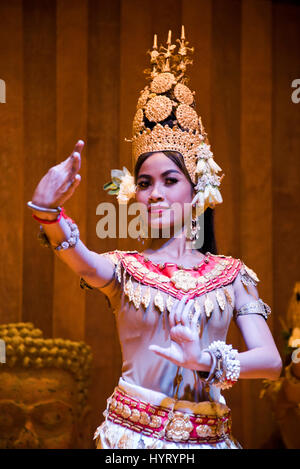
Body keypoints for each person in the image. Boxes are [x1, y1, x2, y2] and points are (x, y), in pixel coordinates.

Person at [27, 27, 282, 449]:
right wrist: (46, 213)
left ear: (197, 187)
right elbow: (82, 259)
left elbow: (271, 362)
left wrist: (202, 359)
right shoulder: (126, 270)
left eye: (169, 179)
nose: (156, 193)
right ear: (133, 193)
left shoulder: (231, 275)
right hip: (134, 443)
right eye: (145, 182)